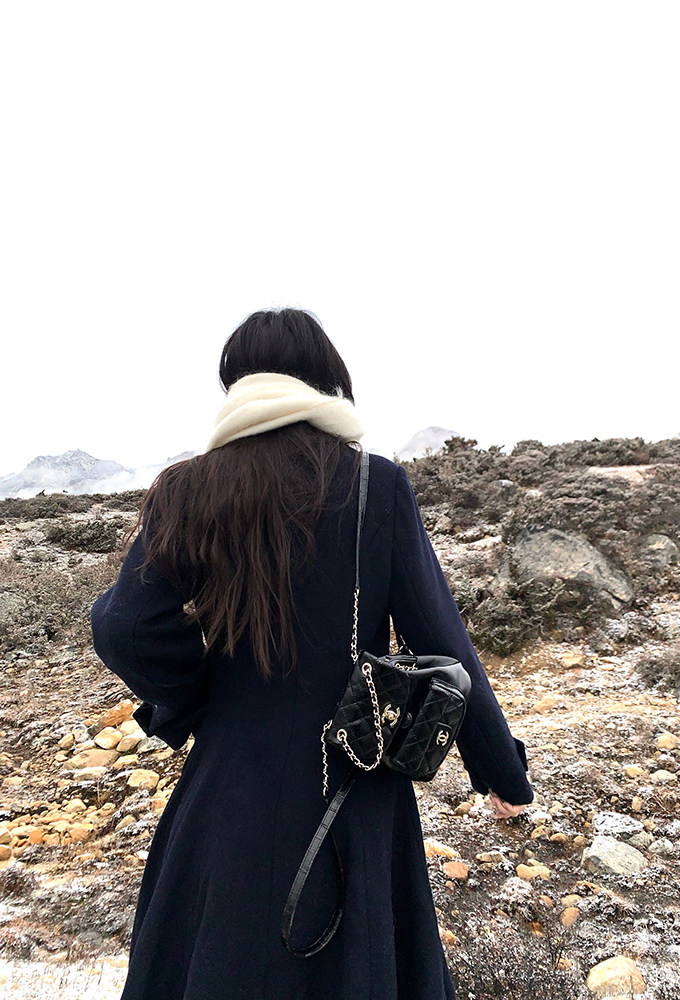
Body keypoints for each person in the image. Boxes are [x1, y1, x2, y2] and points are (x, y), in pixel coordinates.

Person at [90, 307, 534, 1000]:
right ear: (327, 380)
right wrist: (501, 770)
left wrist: (197, 701)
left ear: (236, 385)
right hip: (352, 784)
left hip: (227, 786)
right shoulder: (375, 485)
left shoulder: (185, 488)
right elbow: (442, 644)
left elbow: (126, 626)